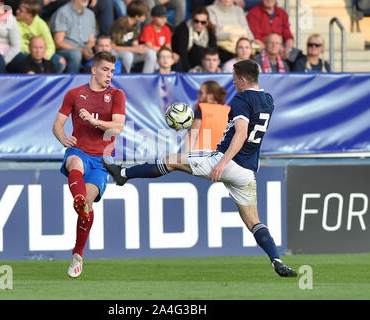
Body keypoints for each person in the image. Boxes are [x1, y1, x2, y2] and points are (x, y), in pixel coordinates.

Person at [102, 59, 297, 278]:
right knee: (253, 220)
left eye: (234, 79)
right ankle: (277, 260)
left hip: (227, 161)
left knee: (173, 160)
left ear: (242, 79)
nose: (233, 83)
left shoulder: (242, 100)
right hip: (247, 171)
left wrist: (222, 163)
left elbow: (242, 132)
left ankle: (123, 173)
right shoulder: (268, 100)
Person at [52, 51, 126, 278]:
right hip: (79, 151)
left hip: (103, 159)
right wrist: (62, 137)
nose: (109, 75)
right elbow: (57, 124)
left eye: (112, 71)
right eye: (105, 69)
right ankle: (79, 198)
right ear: (93, 70)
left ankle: (77, 254)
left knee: (86, 208)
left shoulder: (117, 95)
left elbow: (117, 128)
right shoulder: (74, 94)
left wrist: (94, 121)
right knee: (74, 162)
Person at [15, 0, 66, 73]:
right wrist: (34, 51)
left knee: (60, 62)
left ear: (29, 15)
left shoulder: (41, 24)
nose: (17, 11)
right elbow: (18, 43)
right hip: (26, 52)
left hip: (41, 52)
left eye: (21, 11)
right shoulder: (14, 22)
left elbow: (50, 45)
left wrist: (46, 54)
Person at [109, 0, 157, 73]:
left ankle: (147, 79)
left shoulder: (135, 24)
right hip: (116, 54)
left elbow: (135, 43)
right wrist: (134, 49)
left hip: (129, 51)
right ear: (137, 16)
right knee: (128, 56)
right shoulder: (120, 24)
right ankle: (125, 78)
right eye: (144, 15)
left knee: (151, 53)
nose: (145, 17)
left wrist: (141, 48)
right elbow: (113, 47)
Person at [51, 0, 96, 73]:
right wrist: (81, 50)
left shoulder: (90, 14)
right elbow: (58, 42)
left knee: (106, 52)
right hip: (67, 50)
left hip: (85, 49)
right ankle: (73, 83)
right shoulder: (62, 12)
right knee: (76, 54)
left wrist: (87, 48)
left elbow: (92, 40)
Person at [185, 80, 229, 152]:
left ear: (210, 96)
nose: (198, 95)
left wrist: (187, 157)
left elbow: (192, 136)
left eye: (201, 93)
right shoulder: (229, 110)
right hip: (222, 157)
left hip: (201, 156)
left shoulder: (202, 108)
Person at [171, 6, 217, 72]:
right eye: (196, 21)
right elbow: (182, 52)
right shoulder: (183, 28)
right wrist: (189, 72)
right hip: (181, 58)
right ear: (192, 20)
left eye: (203, 22)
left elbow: (214, 49)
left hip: (199, 58)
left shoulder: (209, 30)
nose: (199, 24)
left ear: (207, 23)